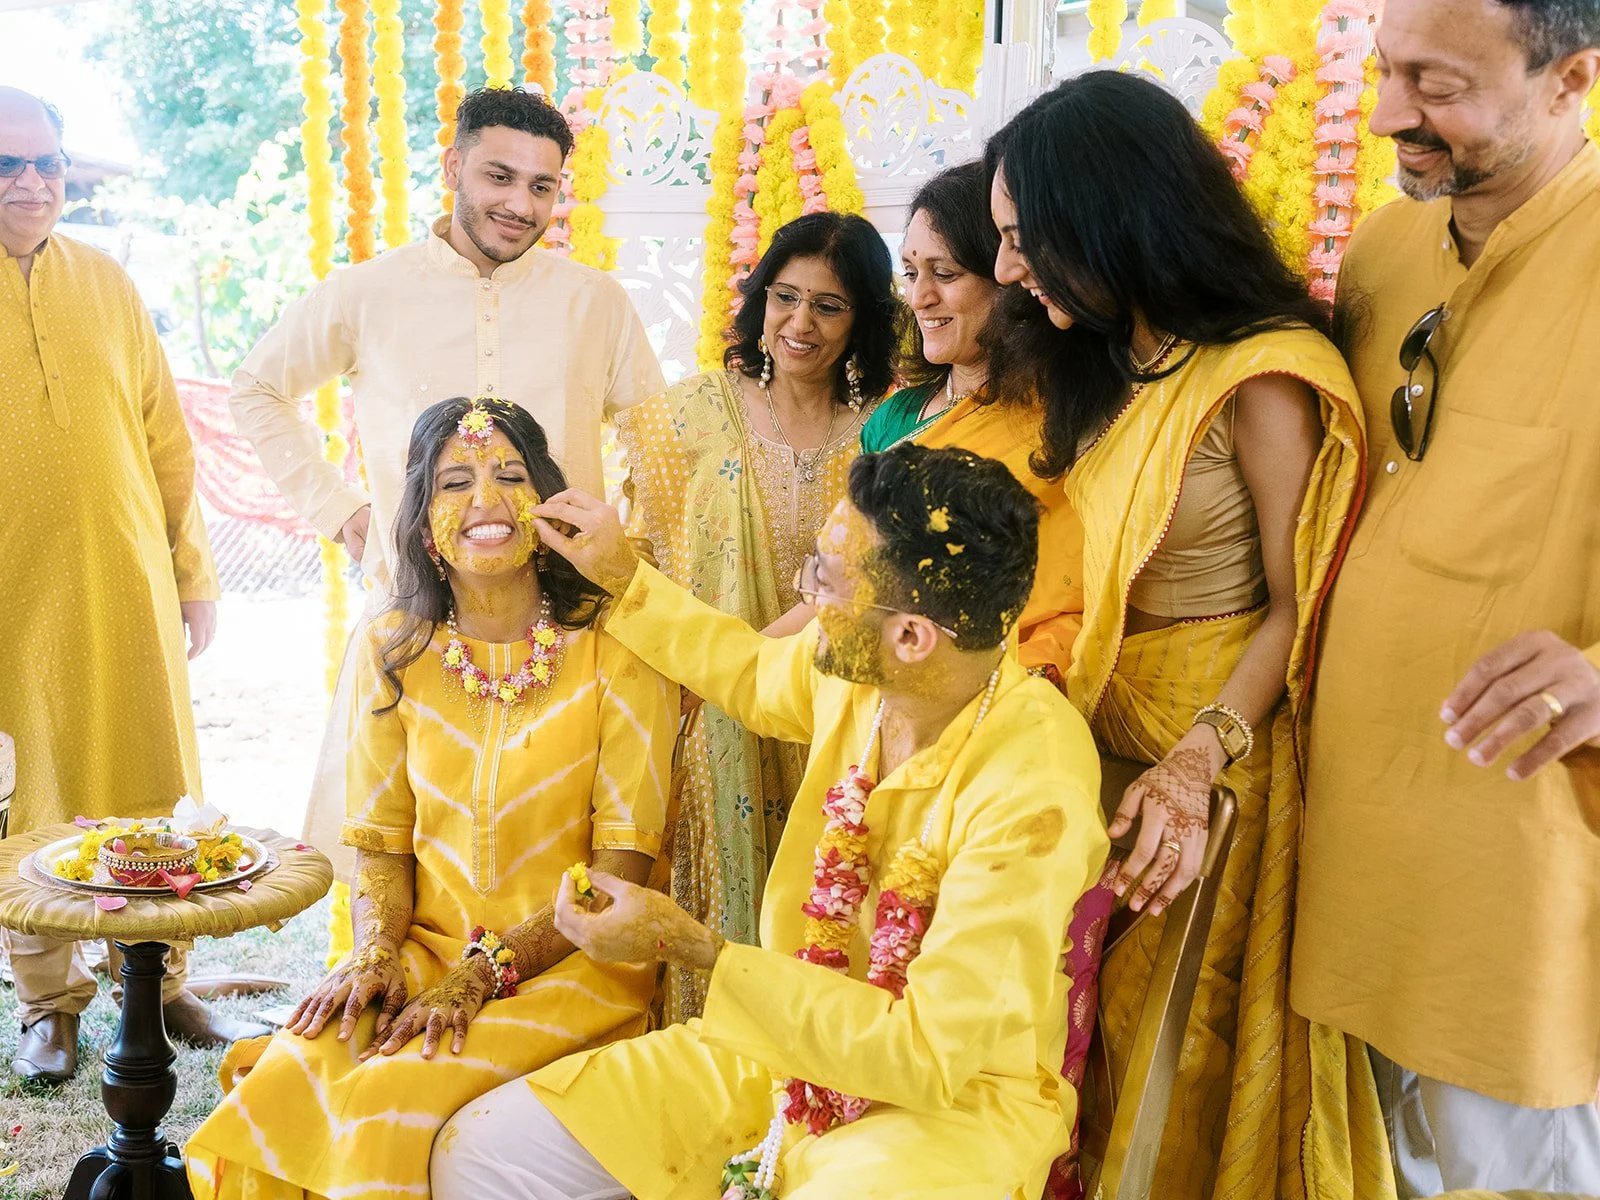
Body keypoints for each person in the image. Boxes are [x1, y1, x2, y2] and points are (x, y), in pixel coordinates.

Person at [426, 443, 1108, 1200]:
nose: (807, 594)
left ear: (912, 637)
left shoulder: (1033, 785)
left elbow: (928, 1054)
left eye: (827, 580)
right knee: (486, 1151)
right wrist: (622, 577)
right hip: (778, 1052)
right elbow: (748, 672)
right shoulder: (863, 678)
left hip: (951, 1110)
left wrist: (697, 950)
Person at [985, 72, 1383, 1200]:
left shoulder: (1263, 373)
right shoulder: (1117, 365)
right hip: (1104, 743)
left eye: (1025, 240)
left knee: (1169, 1050)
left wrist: (1201, 753)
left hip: (1214, 762)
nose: (1009, 269)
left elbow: (1302, 601)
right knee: (1082, 1051)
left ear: (1108, 215)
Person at [183, 396, 676, 1200]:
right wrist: (375, 950)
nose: (485, 499)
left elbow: (619, 868)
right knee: (294, 1073)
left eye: (510, 475)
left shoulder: (612, 651)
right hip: (426, 955)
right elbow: (382, 841)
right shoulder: (393, 649)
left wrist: (484, 973)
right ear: (422, 523)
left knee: (382, 1097)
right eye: (455, 482)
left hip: (575, 972)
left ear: (548, 508)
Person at [1291, 0, 1600, 1192]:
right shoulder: (1383, 249)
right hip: (1349, 846)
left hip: (1514, 874)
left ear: (1571, 77)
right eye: (1383, 72)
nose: (1385, 117)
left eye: (1436, 85)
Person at [230, 85, 664, 880]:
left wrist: (626, 551)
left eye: (542, 187)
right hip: (418, 611)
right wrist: (343, 510)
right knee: (400, 844)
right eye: (499, 177)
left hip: (562, 619)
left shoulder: (593, 302)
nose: (519, 204)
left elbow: (658, 445)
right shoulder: (370, 292)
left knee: (555, 845)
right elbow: (256, 387)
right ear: (455, 165)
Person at [0, 87, 267, 1081]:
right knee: (31, 791)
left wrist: (191, 574)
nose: (33, 183)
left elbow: (167, 439)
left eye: (47, 163)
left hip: (129, 588)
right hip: (10, 602)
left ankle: (163, 982)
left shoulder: (108, 282)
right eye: (7, 166)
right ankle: (48, 1004)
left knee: (149, 782)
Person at [616, 210, 898, 1022]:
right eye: (785, 297)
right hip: (716, 714)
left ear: (864, 319)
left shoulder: (883, 431)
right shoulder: (687, 419)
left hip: (840, 715)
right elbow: (637, 563)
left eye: (829, 306)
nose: (800, 324)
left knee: (829, 923)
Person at [859, 159, 1083, 681]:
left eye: (946, 273)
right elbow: (853, 577)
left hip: (1014, 704)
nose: (919, 297)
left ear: (1007, 277)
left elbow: (1077, 597)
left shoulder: (1062, 417)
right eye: (912, 272)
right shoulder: (894, 419)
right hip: (883, 691)